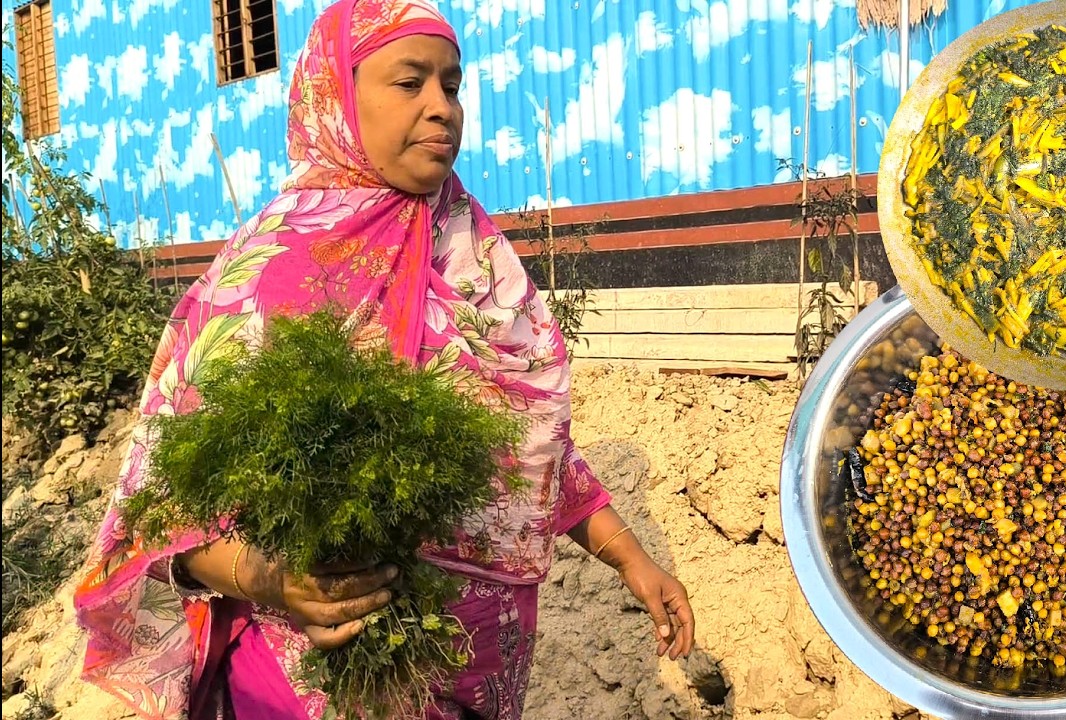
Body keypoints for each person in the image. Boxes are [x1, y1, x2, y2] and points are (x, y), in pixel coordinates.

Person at [71, 1, 695, 718]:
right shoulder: (267, 279)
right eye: (410, 83)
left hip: (474, 675)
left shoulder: (473, 254)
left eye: (452, 85)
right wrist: (269, 577)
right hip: (321, 681)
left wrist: (630, 557)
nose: (442, 108)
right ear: (336, 94)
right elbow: (164, 518)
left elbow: (527, 446)